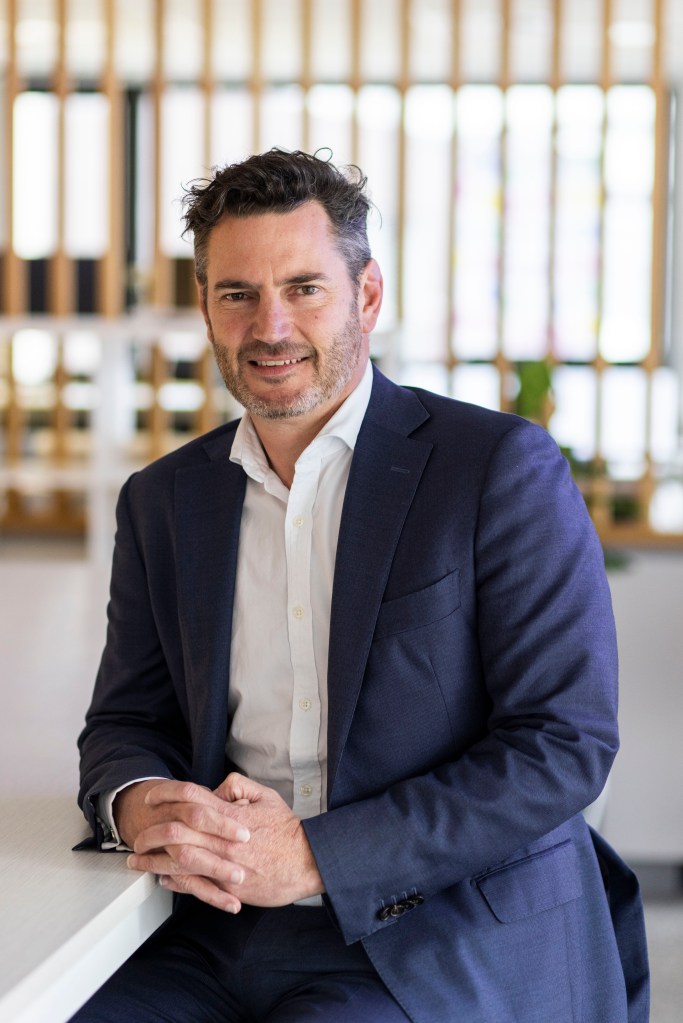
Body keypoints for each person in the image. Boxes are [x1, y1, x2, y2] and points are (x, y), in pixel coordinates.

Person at [74, 149, 649, 1023]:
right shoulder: (163, 500)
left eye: (304, 288)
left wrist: (313, 856)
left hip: (429, 931)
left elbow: (560, 742)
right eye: (237, 294)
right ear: (206, 309)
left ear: (367, 295)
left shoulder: (492, 469)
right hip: (205, 933)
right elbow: (125, 720)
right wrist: (139, 800)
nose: (269, 326)